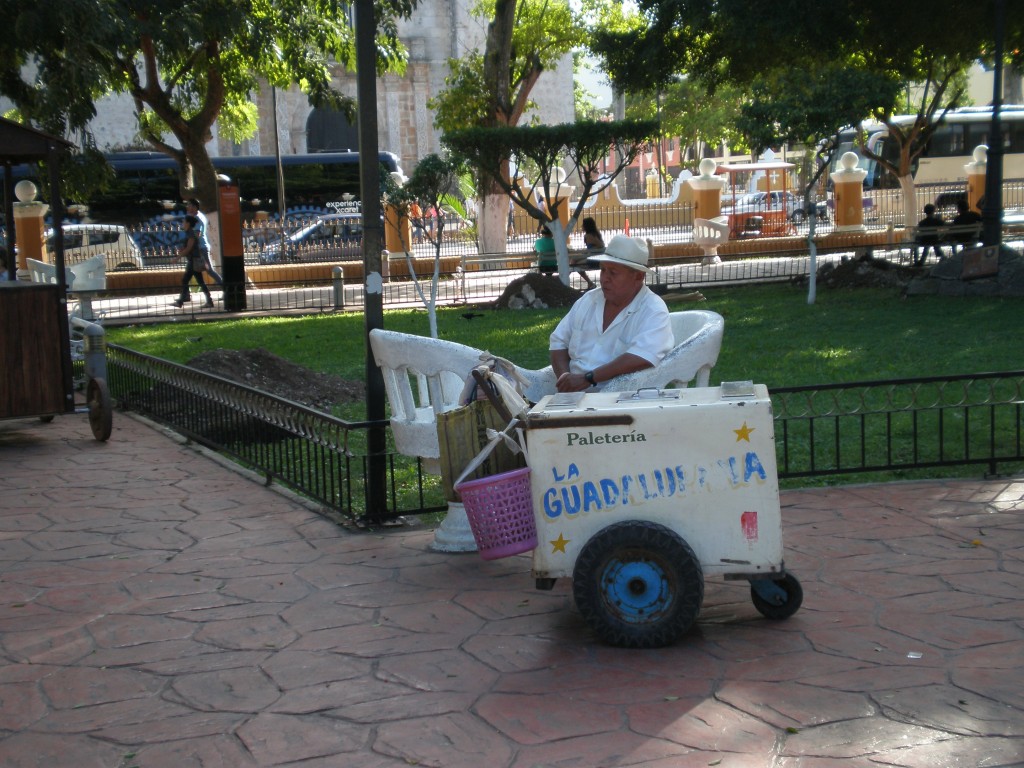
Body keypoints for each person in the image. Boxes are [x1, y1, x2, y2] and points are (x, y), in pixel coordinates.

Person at [550, 235, 673, 392]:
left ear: (638, 277)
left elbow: (642, 356)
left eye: (613, 273)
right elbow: (558, 341)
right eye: (603, 270)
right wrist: (565, 379)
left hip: (620, 399)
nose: (604, 279)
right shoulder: (589, 300)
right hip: (573, 397)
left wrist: (588, 378)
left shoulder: (653, 310)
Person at [172, 215, 215, 309]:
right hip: (192, 260)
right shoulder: (189, 233)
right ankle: (209, 301)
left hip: (193, 260)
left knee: (185, 280)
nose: (182, 224)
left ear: (188, 224)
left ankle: (180, 301)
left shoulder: (191, 234)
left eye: (184, 222)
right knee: (200, 281)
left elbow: (189, 248)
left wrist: (177, 258)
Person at [186, 199, 223, 288]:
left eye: (189, 205)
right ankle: (185, 294)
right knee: (190, 272)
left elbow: (198, 233)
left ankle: (225, 288)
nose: (187, 207)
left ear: (194, 207)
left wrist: (190, 238)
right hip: (199, 247)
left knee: (209, 270)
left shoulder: (198, 218)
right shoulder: (198, 216)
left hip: (200, 248)